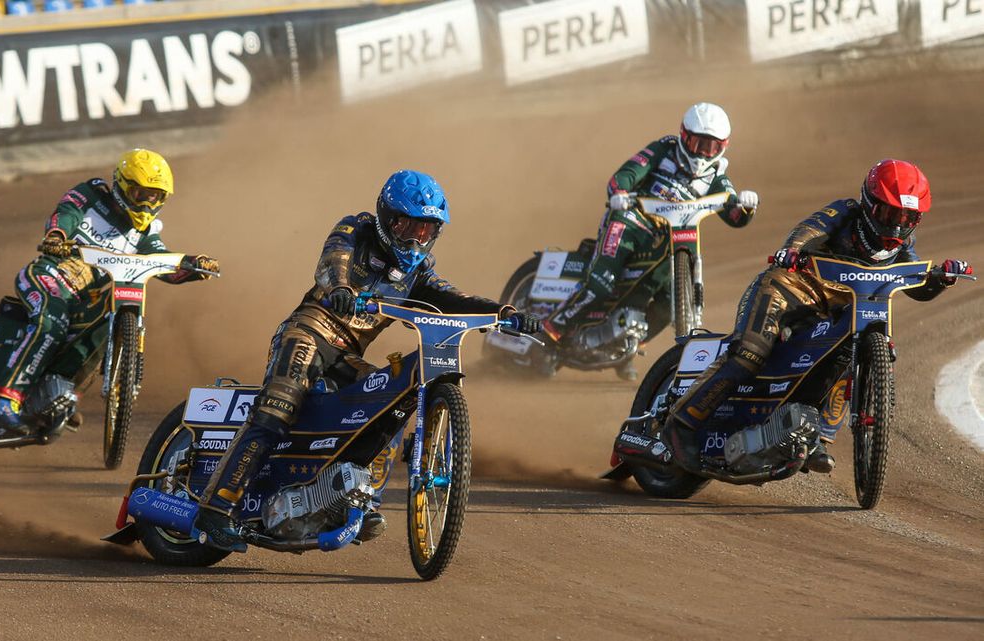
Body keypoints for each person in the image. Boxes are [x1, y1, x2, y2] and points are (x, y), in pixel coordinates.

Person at [194, 169, 539, 552]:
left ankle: (358, 498)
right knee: (276, 409)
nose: (415, 239)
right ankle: (215, 509)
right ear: (387, 217)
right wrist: (340, 287)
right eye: (408, 226)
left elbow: (455, 298)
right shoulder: (355, 229)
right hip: (309, 332)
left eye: (426, 231)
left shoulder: (418, 272)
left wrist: (505, 312)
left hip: (348, 355)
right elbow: (333, 261)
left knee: (388, 405)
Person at [661, 158, 972, 473]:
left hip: (834, 310)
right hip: (789, 288)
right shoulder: (844, 213)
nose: (896, 226)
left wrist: (940, 279)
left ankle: (816, 434)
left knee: (847, 350)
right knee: (750, 353)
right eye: (890, 213)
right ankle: (681, 425)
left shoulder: (903, 245)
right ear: (870, 203)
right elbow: (809, 231)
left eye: (907, 217)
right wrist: (793, 251)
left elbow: (914, 283)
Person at [0, 149, 218, 432]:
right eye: (140, 194)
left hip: (85, 298)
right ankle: (2, 401)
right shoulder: (92, 195)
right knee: (52, 322)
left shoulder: (144, 233)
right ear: (122, 186)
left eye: (154, 196)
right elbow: (66, 213)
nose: (146, 203)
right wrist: (57, 236)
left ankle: (57, 396)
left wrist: (193, 266)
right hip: (49, 275)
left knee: (104, 327)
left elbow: (159, 260)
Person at [541, 102, 760, 379]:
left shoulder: (717, 176)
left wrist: (746, 207)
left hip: (669, 242)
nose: (703, 153)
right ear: (683, 136)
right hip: (632, 223)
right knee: (603, 283)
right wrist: (620, 192)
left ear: (723, 147)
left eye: (712, 147)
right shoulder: (663, 150)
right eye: (697, 143)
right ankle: (551, 330)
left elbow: (735, 215)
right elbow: (625, 174)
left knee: (669, 303)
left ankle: (625, 347)